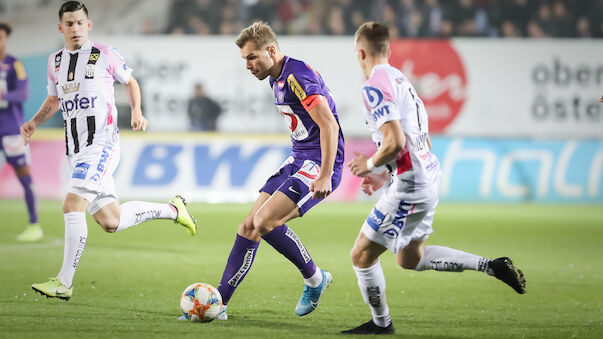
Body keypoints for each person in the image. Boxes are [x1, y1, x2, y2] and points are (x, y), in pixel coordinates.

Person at [344, 22, 526, 335]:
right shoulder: (405, 81)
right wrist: (384, 177)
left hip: (411, 184)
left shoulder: (374, 85)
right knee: (409, 258)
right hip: (427, 175)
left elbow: (396, 142)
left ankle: (381, 325)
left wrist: (371, 165)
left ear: (361, 52)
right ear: (388, 49)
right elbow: (421, 142)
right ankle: (490, 266)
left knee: (361, 255)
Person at [21, 1, 197, 301]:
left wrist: (137, 112)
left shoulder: (105, 54)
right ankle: (172, 209)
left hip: (100, 144)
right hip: (75, 150)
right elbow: (54, 101)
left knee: (71, 205)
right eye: (69, 24)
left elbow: (131, 82)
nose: (75, 28)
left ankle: (64, 282)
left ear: (88, 25)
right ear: (60, 27)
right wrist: (34, 123)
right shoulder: (55, 62)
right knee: (110, 221)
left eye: (80, 23)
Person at [215, 21, 345, 320]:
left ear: (271, 50)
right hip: (297, 159)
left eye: (252, 57)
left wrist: (325, 174)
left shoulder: (296, 76)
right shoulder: (277, 77)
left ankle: (315, 279)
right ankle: (218, 303)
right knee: (249, 226)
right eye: (245, 59)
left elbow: (329, 124)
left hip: (317, 164)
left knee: (264, 221)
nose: (248, 65)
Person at [0, 22, 42, 242]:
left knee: (24, 176)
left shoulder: (14, 64)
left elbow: (24, 93)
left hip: (11, 129)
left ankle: (34, 224)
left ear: (6, 40)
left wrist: (3, 97)